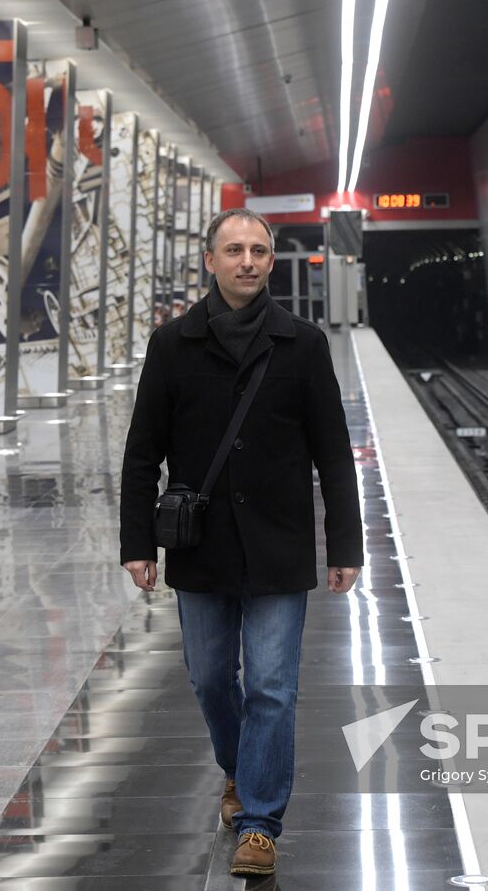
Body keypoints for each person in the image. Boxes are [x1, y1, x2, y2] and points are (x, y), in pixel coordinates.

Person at [119, 208, 364, 877]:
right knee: (209, 681)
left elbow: (334, 454)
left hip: (280, 546)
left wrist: (345, 543)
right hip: (200, 547)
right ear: (209, 259)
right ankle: (239, 765)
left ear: (271, 261)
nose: (248, 261)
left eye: (259, 250)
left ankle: (259, 819)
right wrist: (135, 541)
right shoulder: (172, 345)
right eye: (234, 250)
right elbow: (143, 453)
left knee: (274, 687)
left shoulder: (303, 345)